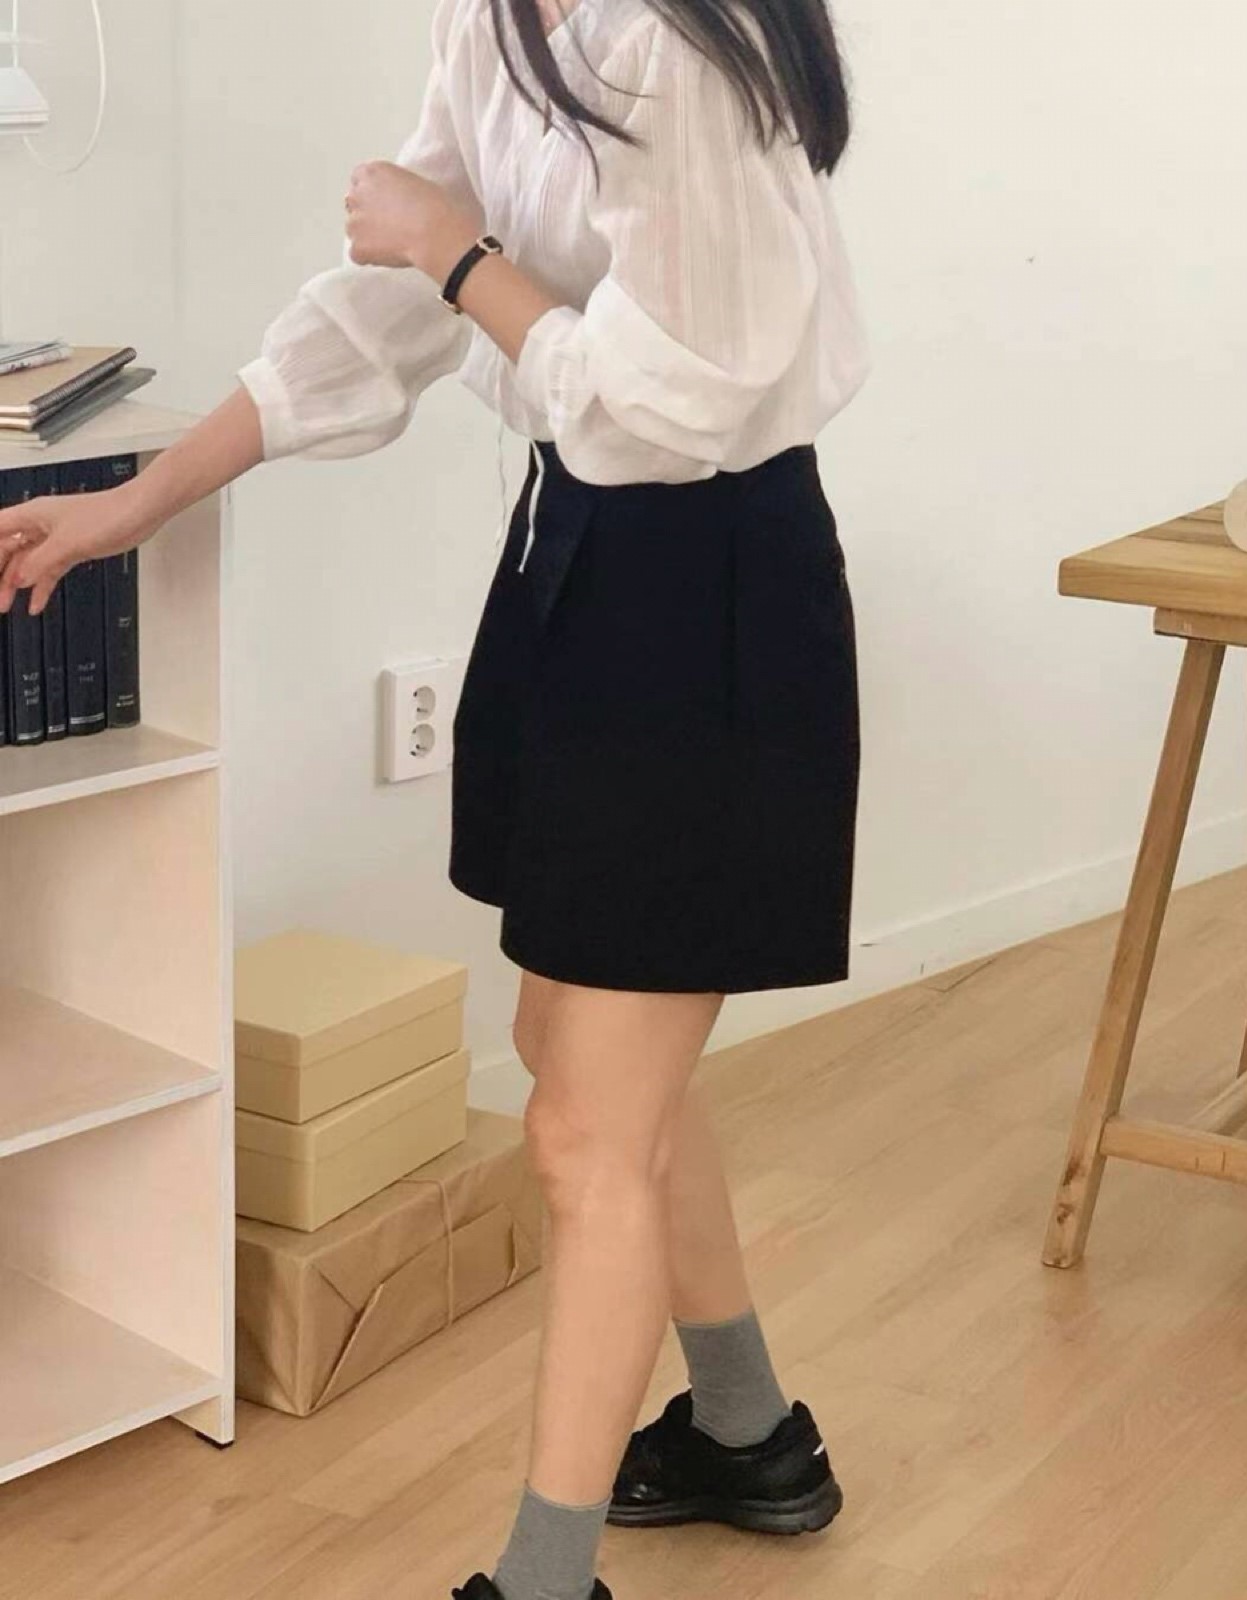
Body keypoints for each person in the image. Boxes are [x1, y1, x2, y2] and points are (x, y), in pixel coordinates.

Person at [0, 0, 869, 1594]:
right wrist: (138, 498)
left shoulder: (683, 41)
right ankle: (750, 1434)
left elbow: (672, 398)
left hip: (713, 583)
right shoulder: (500, 16)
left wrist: (461, 254)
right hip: (577, 551)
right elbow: (377, 313)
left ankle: (545, 1579)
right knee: (578, 1060)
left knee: (586, 1126)